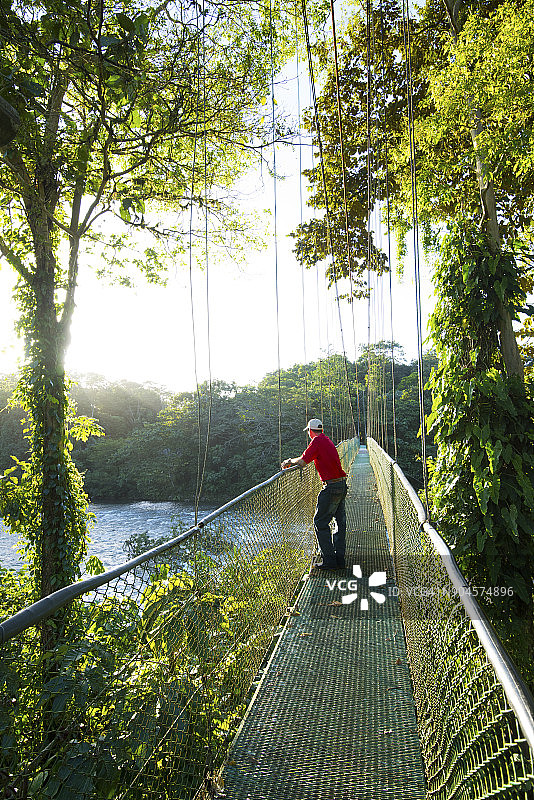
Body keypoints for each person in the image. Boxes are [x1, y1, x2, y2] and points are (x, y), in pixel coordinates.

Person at [281, 418, 347, 571]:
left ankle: (329, 561)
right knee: (339, 522)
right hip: (341, 484)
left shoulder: (317, 441)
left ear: (310, 431)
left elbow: (303, 461)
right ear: (321, 430)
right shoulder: (326, 440)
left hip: (331, 487)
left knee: (320, 522)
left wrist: (289, 461)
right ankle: (339, 559)